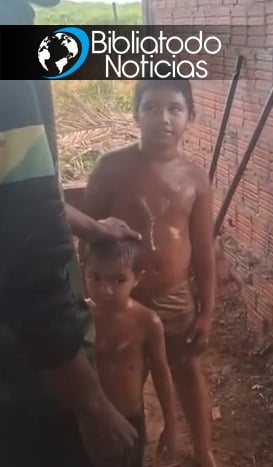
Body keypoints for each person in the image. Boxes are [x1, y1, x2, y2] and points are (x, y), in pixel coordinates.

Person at [0, 78, 142, 466]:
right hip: (28, 369)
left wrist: (95, 228)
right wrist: (92, 405)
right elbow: (32, 271)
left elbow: (20, 193)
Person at [82, 79, 218, 467]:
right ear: (135, 114)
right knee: (122, 372)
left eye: (175, 108)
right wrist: (92, 292)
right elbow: (86, 235)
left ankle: (203, 449)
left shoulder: (195, 177)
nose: (164, 118)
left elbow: (204, 251)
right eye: (152, 108)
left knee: (187, 368)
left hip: (176, 296)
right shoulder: (111, 168)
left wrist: (207, 312)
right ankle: (120, 444)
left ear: (190, 117)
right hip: (122, 295)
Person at [83, 236, 179, 467]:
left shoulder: (147, 322)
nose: (106, 290)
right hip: (84, 419)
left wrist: (171, 422)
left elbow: (161, 371)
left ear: (137, 279)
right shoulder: (78, 317)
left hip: (128, 420)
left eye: (119, 280)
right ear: (83, 271)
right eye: (96, 278)